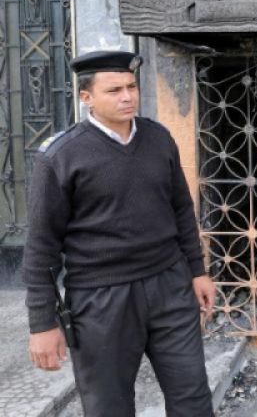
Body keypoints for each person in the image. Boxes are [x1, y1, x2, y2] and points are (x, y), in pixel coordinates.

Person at [22, 50, 216, 416]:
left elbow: (180, 208)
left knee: (193, 398)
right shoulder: (61, 156)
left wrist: (197, 270)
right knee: (108, 407)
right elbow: (41, 247)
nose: (127, 97)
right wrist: (42, 323)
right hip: (100, 298)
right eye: (114, 90)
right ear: (87, 97)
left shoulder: (159, 138)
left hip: (170, 286)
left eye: (131, 87)